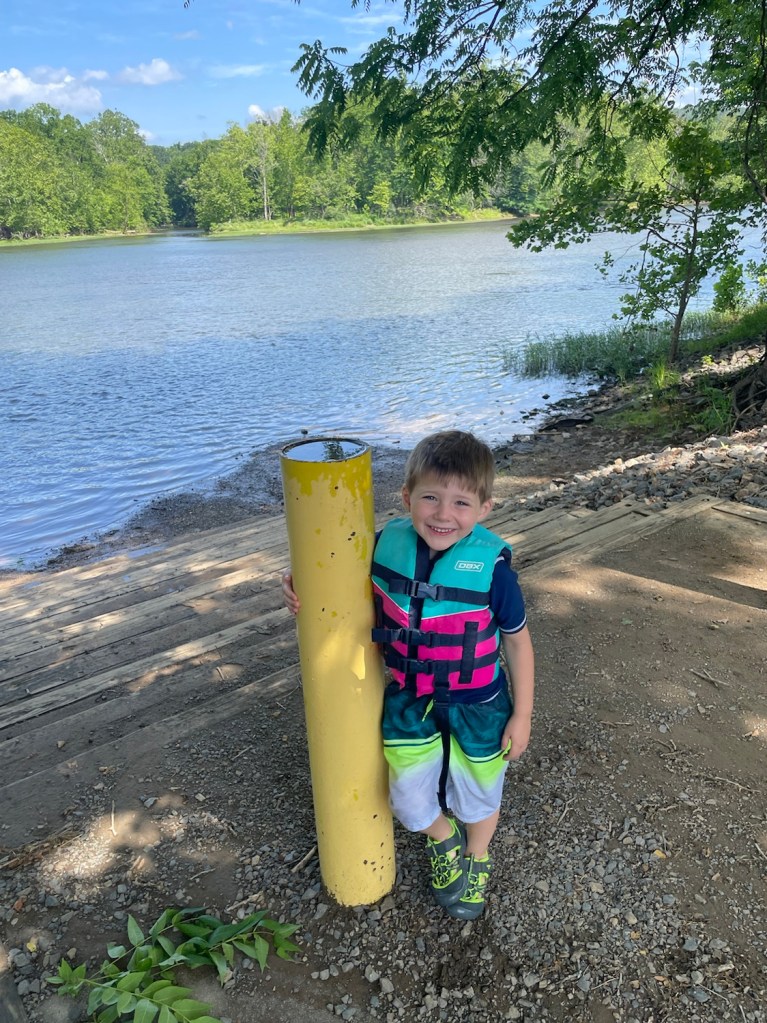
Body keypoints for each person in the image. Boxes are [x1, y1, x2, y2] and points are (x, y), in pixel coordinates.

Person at [282, 430, 534, 920]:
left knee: (480, 792)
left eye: (461, 503)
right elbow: (329, 569)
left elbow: (518, 643)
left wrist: (521, 715)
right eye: (431, 498)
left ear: (484, 509)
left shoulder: (495, 573)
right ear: (407, 498)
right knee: (408, 799)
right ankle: (442, 836)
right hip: (409, 699)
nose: (443, 514)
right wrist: (299, 583)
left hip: (479, 704)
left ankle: (477, 855)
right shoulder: (382, 547)